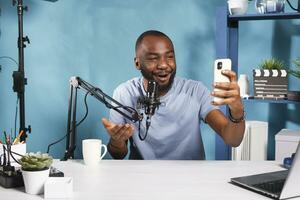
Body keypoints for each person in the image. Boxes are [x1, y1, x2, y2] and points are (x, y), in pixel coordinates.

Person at [102, 30, 245, 160]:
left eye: (169, 57)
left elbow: (232, 139)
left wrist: (237, 111)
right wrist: (116, 141)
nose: (164, 65)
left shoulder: (195, 91)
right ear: (138, 63)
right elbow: (118, 154)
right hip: (143, 178)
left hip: (190, 179)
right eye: (153, 58)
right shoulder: (124, 93)